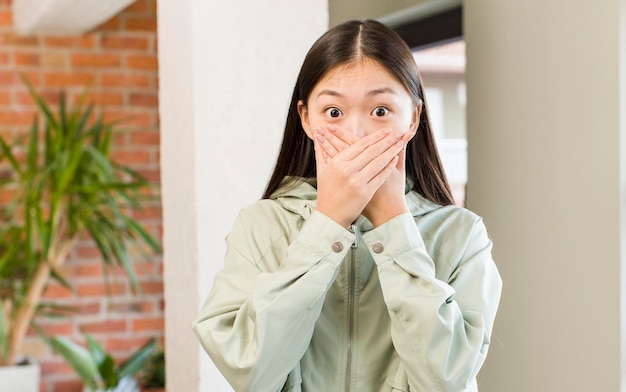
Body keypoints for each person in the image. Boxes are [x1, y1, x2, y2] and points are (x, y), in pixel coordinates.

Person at [193, 19, 502, 392]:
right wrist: (328, 223)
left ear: (414, 117)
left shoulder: (462, 234)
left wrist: (392, 223)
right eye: (334, 113)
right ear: (306, 118)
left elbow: (447, 379)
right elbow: (251, 372)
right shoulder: (260, 226)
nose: (357, 134)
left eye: (381, 111)